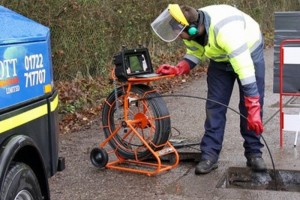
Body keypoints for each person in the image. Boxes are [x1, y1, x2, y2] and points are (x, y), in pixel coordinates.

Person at [151, 4, 266, 174]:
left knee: (248, 108)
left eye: (179, 33)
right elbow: (195, 52)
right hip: (220, 59)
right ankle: (209, 155)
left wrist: (254, 107)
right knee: (214, 106)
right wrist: (180, 67)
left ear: (192, 29)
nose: (178, 37)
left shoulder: (227, 32)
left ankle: (254, 153)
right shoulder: (193, 28)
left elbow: (245, 70)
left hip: (248, 52)